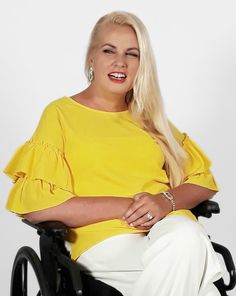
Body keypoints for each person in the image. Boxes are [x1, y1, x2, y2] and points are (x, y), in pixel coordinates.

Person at [4, 11, 222, 296]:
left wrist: (163, 201)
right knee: (201, 280)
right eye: (109, 50)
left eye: (132, 54)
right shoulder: (60, 114)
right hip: (103, 241)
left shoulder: (151, 120)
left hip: (167, 232)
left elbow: (202, 181)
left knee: (185, 237)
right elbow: (38, 206)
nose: (121, 62)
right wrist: (127, 206)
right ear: (91, 58)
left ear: (141, 64)